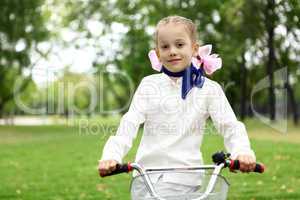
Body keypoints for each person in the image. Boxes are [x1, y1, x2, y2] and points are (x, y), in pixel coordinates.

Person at [98, 15, 256, 197]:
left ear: (194, 48)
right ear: (157, 53)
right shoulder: (149, 84)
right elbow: (130, 122)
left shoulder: (209, 89)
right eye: (165, 46)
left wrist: (242, 152)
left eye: (180, 45)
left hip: (185, 179)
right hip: (146, 178)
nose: (172, 51)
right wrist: (111, 155)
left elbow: (230, 125)